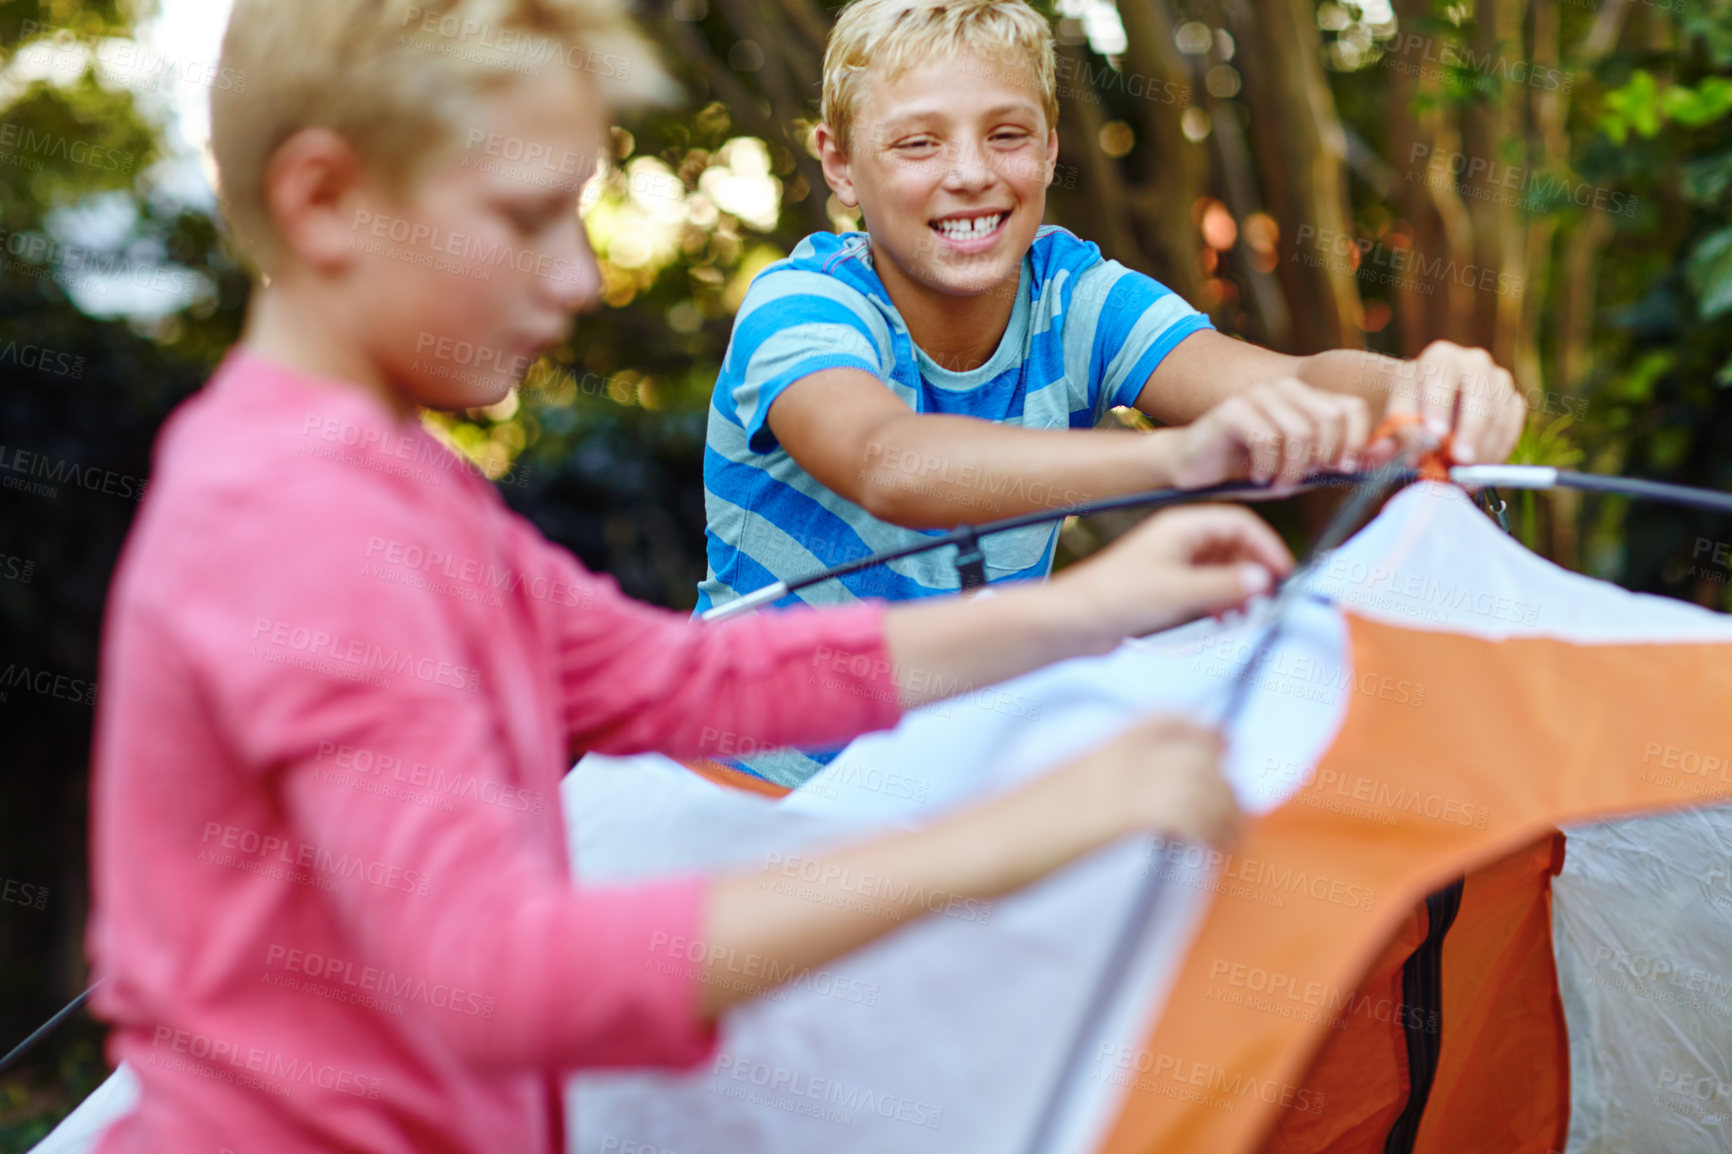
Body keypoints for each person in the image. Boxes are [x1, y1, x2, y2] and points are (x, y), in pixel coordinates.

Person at [83, 2, 1296, 1152]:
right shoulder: (299, 524)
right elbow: (493, 976)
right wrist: (1014, 835)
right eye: (523, 218)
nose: (580, 279)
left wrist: (1089, 606)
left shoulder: (394, 484)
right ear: (326, 200)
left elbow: (683, 673)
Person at [696, 0, 1529, 784]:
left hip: (932, 801)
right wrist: (1175, 458)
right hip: (744, 793)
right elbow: (890, 463)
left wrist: (1419, 386)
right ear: (839, 164)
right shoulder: (804, 305)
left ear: (1052, 149)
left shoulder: (1074, 296)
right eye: (917, 144)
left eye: (1008, 134)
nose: (971, 174)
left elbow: (1286, 379)